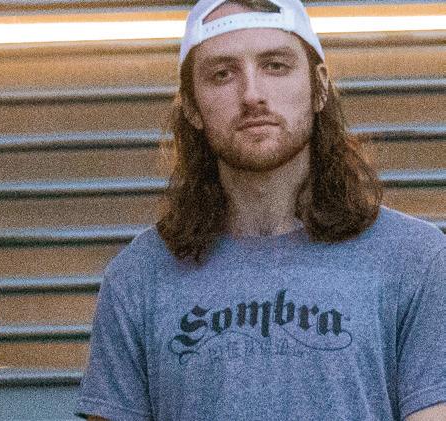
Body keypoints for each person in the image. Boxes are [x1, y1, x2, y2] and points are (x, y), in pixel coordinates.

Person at [75, 0, 446, 419]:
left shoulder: (416, 260)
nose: (252, 94)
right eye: (222, 74)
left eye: (275, 66)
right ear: (192, 107)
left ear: (320, 87)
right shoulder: (138, 277)